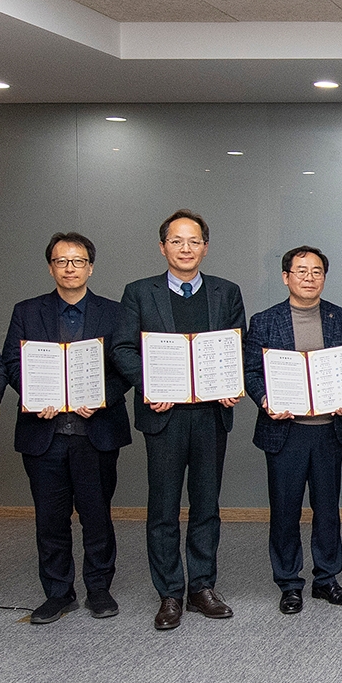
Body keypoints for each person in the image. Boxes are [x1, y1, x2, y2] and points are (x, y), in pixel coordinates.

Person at [113, 210, 246, 631]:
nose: (185, 248)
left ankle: (202, 587)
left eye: (193, 241)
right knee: (164, 508)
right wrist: (149, 385)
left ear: (205, 246)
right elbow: (122, 349)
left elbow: (237, 346)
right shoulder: (138, 292)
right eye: (176, 241)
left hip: (210, 415)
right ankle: (169, 592)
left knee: (207, 505)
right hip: (164, 417)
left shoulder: (227, 292)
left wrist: (232, 380)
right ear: (163, 247)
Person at [1, 232, 131, 625]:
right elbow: (12, 362)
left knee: (97, 515)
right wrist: (34, 394)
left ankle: (99, 588)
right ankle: (58, 593)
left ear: (90, 267)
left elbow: (126, 366)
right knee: (50, 518)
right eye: (61, 261)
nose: (70, 268)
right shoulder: (26, 311)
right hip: (44, 433)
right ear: (50, 267)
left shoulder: (115, 312)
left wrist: (103, 397)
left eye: (77, 261)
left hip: (97, 431)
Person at [244, 245, 342, 615]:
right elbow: (251, 371)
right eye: (302, 271)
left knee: (328, 509)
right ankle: (289, 583)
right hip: (285, 431)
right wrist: (264, 400)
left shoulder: (340, 317)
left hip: (328, 429)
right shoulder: (264, 320)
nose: (310, 278)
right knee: (285, 510)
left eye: (317, 271)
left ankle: (326, 579)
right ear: (285, 276)